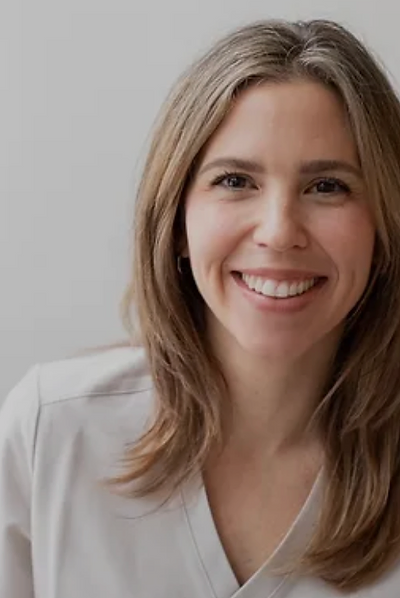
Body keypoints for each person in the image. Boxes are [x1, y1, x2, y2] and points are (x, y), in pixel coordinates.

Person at [2, 17, 400, 598]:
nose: (279, 231)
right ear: (178, 224)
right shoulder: (51, 432)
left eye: (328, 187)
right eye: (235, 180)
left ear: (385, 228)